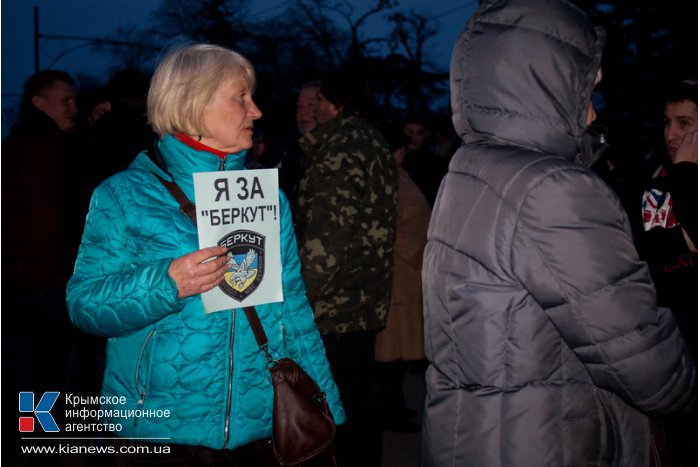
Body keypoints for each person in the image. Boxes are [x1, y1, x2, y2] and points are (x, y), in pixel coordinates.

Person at [421, 1, 697, 466]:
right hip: (546, 441)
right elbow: (642, 362)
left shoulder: (470, 168)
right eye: (583, 91)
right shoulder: (552, 188)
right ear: (545, 87)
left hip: (476, 434)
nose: (590, 114)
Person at [66, 44, 344, 466]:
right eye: (241, 97)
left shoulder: (268, 197)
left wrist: (326, 405)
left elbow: (293, 309)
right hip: (158, 431)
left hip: (259, 429)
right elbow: (84, 305)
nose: (256, 111)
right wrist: (166, 283)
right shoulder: (123, 197)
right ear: (193, 103)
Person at [295, 69, 398, 467]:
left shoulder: (341, 148)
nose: (312, 109)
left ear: (333, 104)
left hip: (334, 308)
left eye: (317, 102)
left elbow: (326, 241)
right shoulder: (369, 140)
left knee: (340, 412)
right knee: (358, 402)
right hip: (360, 300)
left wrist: (299, 300)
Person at [1, 69, 79, 465]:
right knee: (45, 379)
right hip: (45, 283)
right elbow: (48, 223)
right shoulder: (48, 150)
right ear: (38, 103)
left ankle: (29, 447)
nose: (73, 108)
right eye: (65, 100)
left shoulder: (15, 146)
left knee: (27, 378)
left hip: (22, 282)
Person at [638, 79, 697, 467]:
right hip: (678, 338)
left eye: (685, 123)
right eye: (666, 122)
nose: (671, 134)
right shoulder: (659, 182)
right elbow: (663, 250)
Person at [374, 124, 431, 433]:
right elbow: (389, 227)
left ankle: (394, 408)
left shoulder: (397, 176)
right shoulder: (390, 179)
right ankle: (391, 412)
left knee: (397, 354)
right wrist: (417, 253)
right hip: (399, 278)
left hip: (405, 278)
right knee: (391, 355)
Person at [399, 116, 448, 206]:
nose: (415, 138)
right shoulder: (395, 159)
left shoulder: (432, 164)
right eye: (410, 132)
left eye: (420, 133)